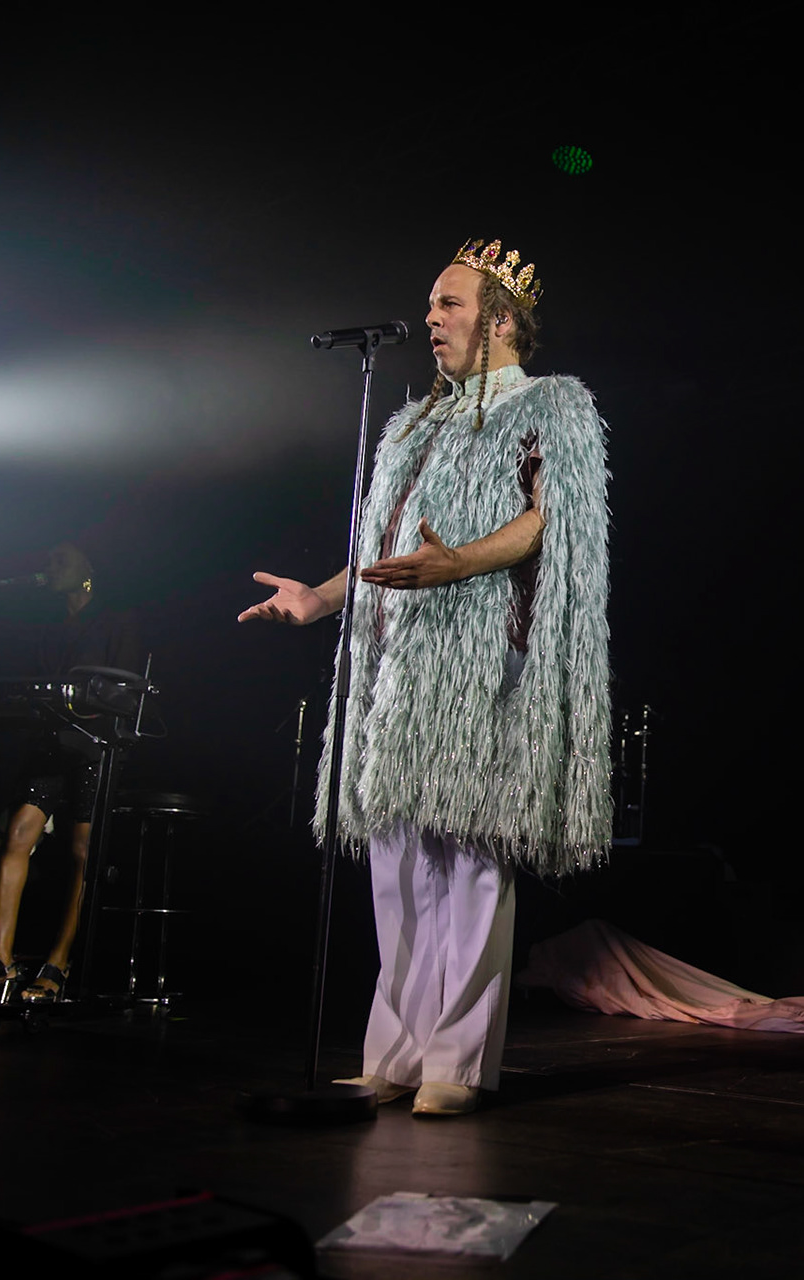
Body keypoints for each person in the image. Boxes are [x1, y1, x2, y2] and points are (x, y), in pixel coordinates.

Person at [241, 237, 611, 1116]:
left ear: (503, 319)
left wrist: (462, 565)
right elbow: (379, 552)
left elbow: (548, 523)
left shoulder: (551, 406)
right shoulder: (414, 420)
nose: (432, 320)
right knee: (399, 862)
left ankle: (456, 1062)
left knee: (471, 860)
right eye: (433, 304)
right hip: (399, 670)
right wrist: (321, 599)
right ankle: (394, 1054)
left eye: (449, 304)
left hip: (484, 655)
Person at [0, 542, 143, 1004]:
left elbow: (124, 688)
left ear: (88, 568)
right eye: (46, 560)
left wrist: (83, 707)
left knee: (83, 851)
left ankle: (58, 963)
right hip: (51, 743)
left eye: (59, 560)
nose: (49, 568)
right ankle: (0, 960)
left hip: (94, 743)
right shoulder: (48, 627)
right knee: (19, 833)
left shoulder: (115, 618)